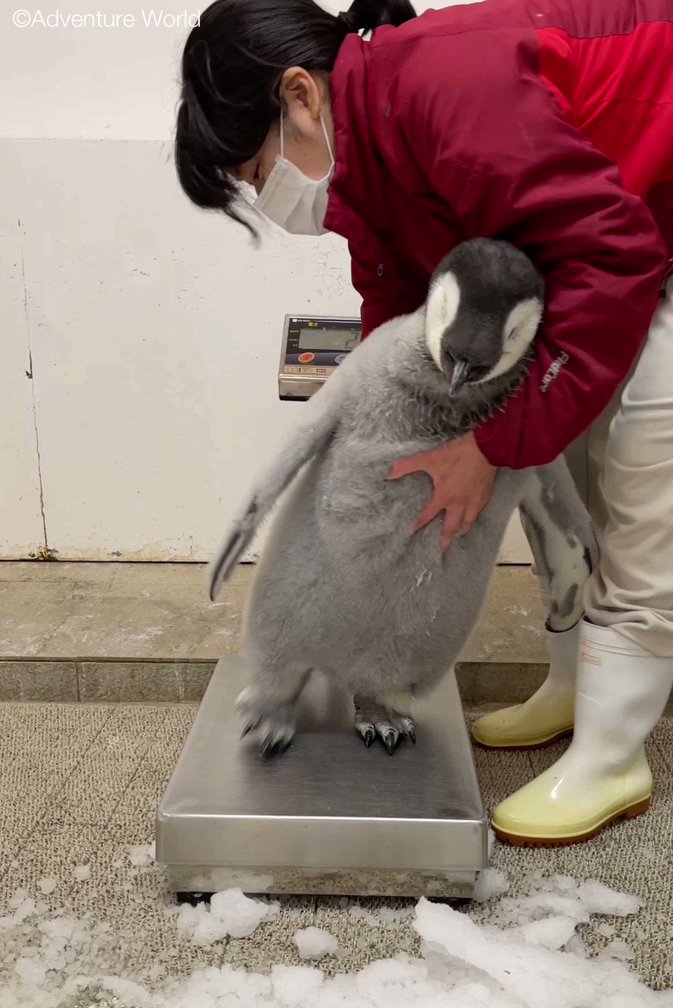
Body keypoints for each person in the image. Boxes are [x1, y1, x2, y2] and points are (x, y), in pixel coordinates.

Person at [175, 0, 673, 847]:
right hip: (616, 235)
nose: (269, 202)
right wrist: (388, 444)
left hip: (644, 230)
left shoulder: (445, 89)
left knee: (634, 468)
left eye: (256, 175)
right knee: (553, 454)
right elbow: (400, 312)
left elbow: (609, 255)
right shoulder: (368, 164)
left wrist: (488, 443)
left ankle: (613, 753)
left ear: (299, 95)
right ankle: (570, 686)